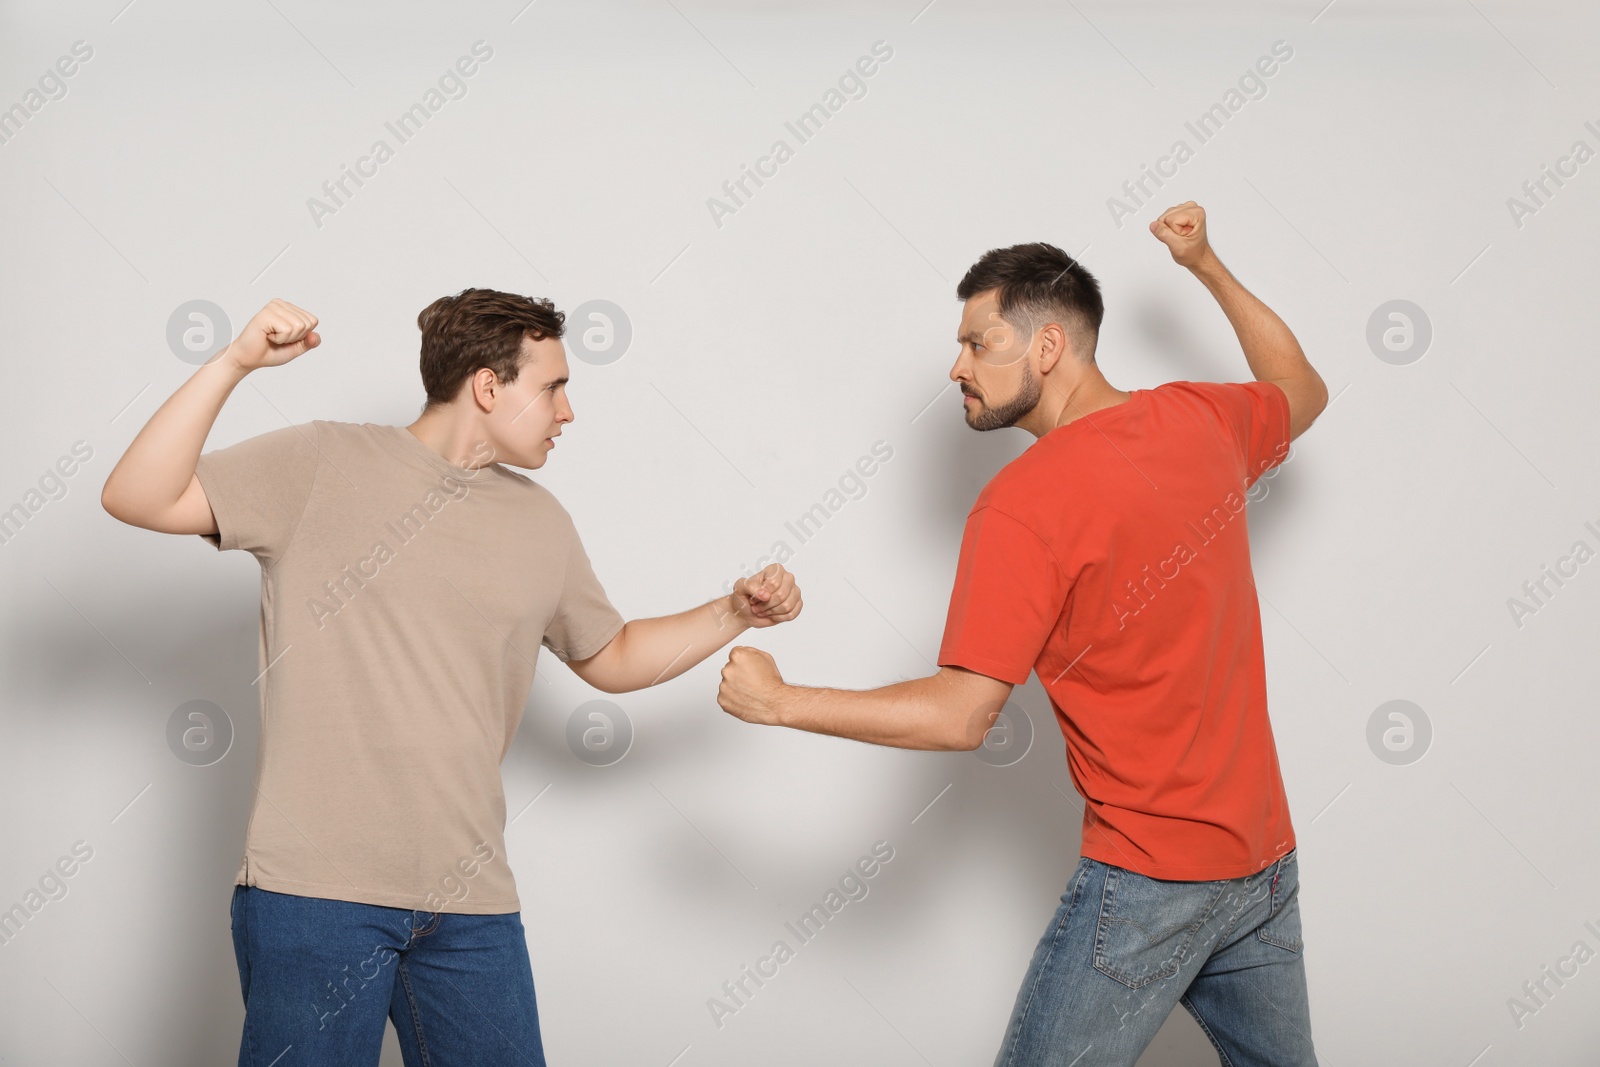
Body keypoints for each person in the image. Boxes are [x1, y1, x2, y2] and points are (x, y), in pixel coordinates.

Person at [100, 289, 802, 1067]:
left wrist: (735, 611)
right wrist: (235, 362)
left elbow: (610, 655)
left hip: (470, 905)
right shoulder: (320, 462)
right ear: (488, 386)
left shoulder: (540, 520)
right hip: (315, 895)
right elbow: (137, 494)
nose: (568, 412)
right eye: (555, 387)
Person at [716, 201, 1328, 1066]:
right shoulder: (1200, 420)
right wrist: (1207, 266)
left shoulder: (1022, 505)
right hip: (1262, 860)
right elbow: (1304, 390)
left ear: (1048, 348)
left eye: (979, 343)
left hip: (1152, 876)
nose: (957, 365)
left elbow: (959, 716)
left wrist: (780, 702)